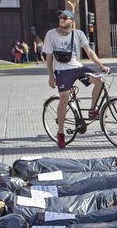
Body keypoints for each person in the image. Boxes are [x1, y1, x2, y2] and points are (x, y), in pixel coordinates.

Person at [44, 9, 109, 149]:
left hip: (77, 67)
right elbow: (48, 56)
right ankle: (61, 133)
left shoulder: (78, 33)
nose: (61, 19)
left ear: (71, 20)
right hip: (62, 70)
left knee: (99, 81)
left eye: (65, 18)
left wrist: (100, 65)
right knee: (64, 98)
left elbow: (89, 51)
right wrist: (51, 76)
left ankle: (93, 110)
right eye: (60, 17)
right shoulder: (51, 34)